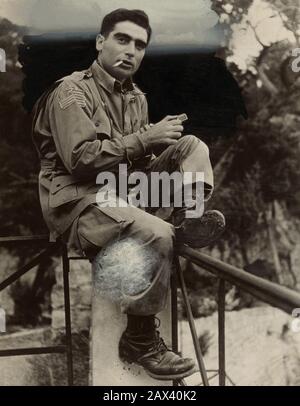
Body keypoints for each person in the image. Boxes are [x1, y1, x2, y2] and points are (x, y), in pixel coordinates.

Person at [32, 8, 225, 381]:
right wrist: (144, 139)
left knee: (191, 146)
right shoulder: (70, 92)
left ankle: (188, 216)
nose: (131, 50)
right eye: (122, 39)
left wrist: (154, 153)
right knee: (155, 232)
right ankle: (138, 339)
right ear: (101, 42)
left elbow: (138, 160)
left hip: (121, 191)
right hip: (77, 199)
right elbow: (78, 160)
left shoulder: (136, 96)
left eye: (140, 44)